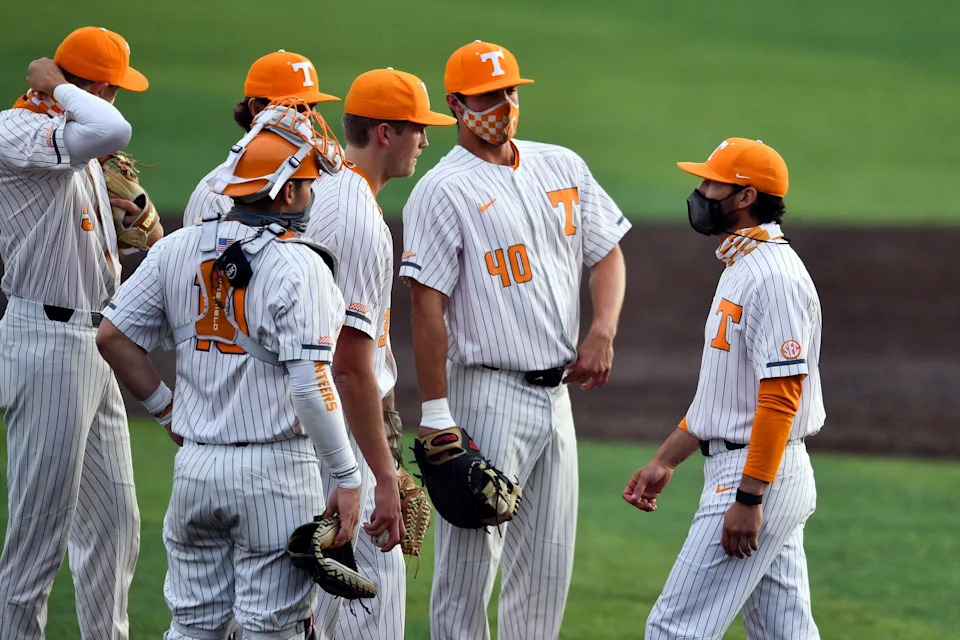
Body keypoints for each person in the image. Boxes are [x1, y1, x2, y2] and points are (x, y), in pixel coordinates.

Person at [97, 101, 370, 639]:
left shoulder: (177, 248)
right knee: (273, 628)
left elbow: (112, 337)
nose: (310, 196)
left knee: (193, 626)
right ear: (286, 193)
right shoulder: (301, 265)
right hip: (275, 476)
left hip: (196, 471)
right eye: (307, 186)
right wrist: (346, 476)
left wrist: (166, 410)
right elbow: (312, 384)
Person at [400, 40, 631, 640]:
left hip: (558, 398)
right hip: (486, 396)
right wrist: (437, 413)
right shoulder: (441, 189)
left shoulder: (562, 165)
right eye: (487, 97)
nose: (503, 104)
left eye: (509, 91)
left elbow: (607, 253)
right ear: (455, 105)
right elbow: (427, 305)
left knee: (547, 569)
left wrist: (602, 329)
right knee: (468, 572)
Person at [623, 138, 824, 639]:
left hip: (756, 473)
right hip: (760, 469)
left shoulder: (774, 277)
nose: (700, 193)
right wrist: (665, 460)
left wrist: (750, 497)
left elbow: (780, 397)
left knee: (674, 629)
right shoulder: (742, 266)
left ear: (745, 197)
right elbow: (722, 397)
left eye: (712, 184)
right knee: (784, 631)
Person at [0, 25, 149, 640]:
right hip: (46, 344)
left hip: (92, 345)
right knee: (37, 540)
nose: (117, 100)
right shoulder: (16, 131)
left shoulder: (71, 139)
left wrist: (129, 229)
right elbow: (113, 129)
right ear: (98, 89)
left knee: (115, 523)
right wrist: (58, 86)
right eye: (114, 89)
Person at [306, 67, 455, 639]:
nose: (425, 141)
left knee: (315, 614)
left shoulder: (326, 190)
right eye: (418, 128)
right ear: (386, 132)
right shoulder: (357, 219)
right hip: (338, 440)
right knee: (371, 611)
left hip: (324, 429)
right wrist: (384, 474)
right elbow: (348, 365)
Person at [182, 49, 341, 227]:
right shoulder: (214, 193)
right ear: (257, 109)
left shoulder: (329, 176)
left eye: (312, 107)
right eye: (296, 108)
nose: (308, 119)